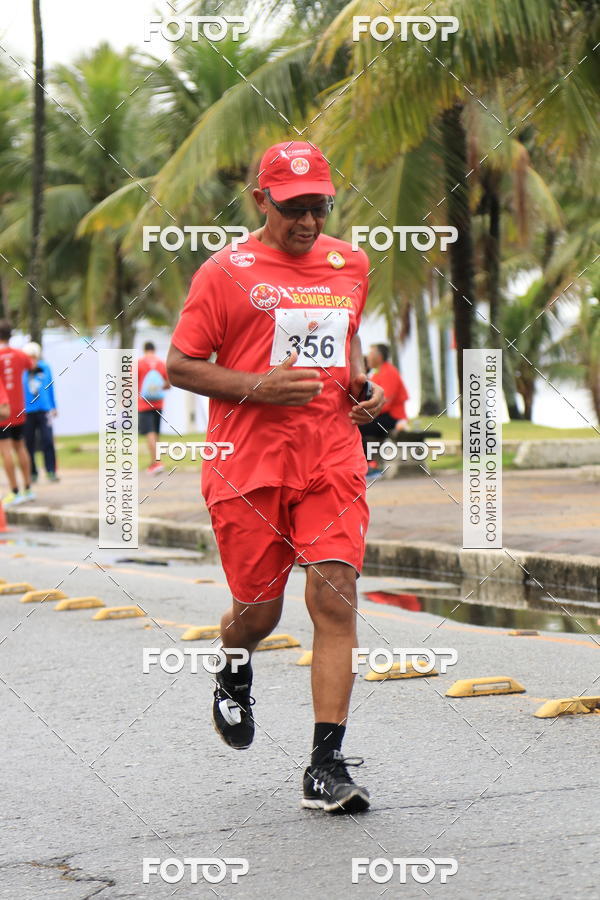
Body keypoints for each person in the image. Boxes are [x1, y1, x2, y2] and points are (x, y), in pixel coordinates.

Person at [168, 141, 385, 814]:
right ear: (262, 201)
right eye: (294, 209)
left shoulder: (350, 263)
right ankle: (234, 664)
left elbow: (343, 345)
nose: (309, 222)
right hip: (248, 465)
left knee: (335, 596)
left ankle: (326, 763)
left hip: (329, 456)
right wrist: (257, 386)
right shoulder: (223, 272)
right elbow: (180, 365)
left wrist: (362, 388)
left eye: (320, 206)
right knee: (260, 614)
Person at [359, 343, 409, 475]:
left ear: (379, 357)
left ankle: (368, 465)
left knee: (359, 427)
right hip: (380, 416)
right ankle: (367, 464)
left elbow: (385, 403)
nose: (368, 357)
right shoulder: (378, 373)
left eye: (370, 354)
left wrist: (365, 412)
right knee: (357, 425)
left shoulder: (389, 372)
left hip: (392, 417)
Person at [0, 321, 36, 506]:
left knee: (5, 450)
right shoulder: (20, 354)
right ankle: (28, 489)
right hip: (19, 408)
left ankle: (14, 491)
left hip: (2, 410)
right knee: (20, 447)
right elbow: (32, 366)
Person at [22, 342, 59, 483]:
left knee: (47, 440)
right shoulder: (22, 370)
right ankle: (32, 473)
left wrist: (54, 406)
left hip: (44, 409)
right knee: (28, 443)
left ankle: (51, 471)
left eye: (34, 357)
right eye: (29, 357)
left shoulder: (45, 368)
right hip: (27, 411)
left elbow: (50, 387)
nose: (32, 360)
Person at [137, 341, 170, 475]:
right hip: (158, 403)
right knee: (156, 432)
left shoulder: (138, 363)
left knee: (149, 432)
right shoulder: (162, 363)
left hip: (144, 404)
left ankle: (156, 463)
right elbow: (168, 384)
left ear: (144, 350)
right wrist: (157, 387)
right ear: (154, 349)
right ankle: (155, 461)